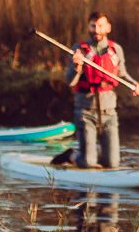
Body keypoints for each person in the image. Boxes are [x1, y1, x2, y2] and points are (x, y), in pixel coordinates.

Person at [53, 12, 125, 169]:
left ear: (108, 27)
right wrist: (77, 66)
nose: (96, 30)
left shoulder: (116, 49)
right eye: (93, 26)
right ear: (88, 27)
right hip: (85, 112)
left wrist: (136, 86)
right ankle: (72, 155)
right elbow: (71, 82)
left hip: (109, 112)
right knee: (88, 163)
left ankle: (93, 153)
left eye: (100, 26)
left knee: (112, 163)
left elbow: (123, 75)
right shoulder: (79, 49)